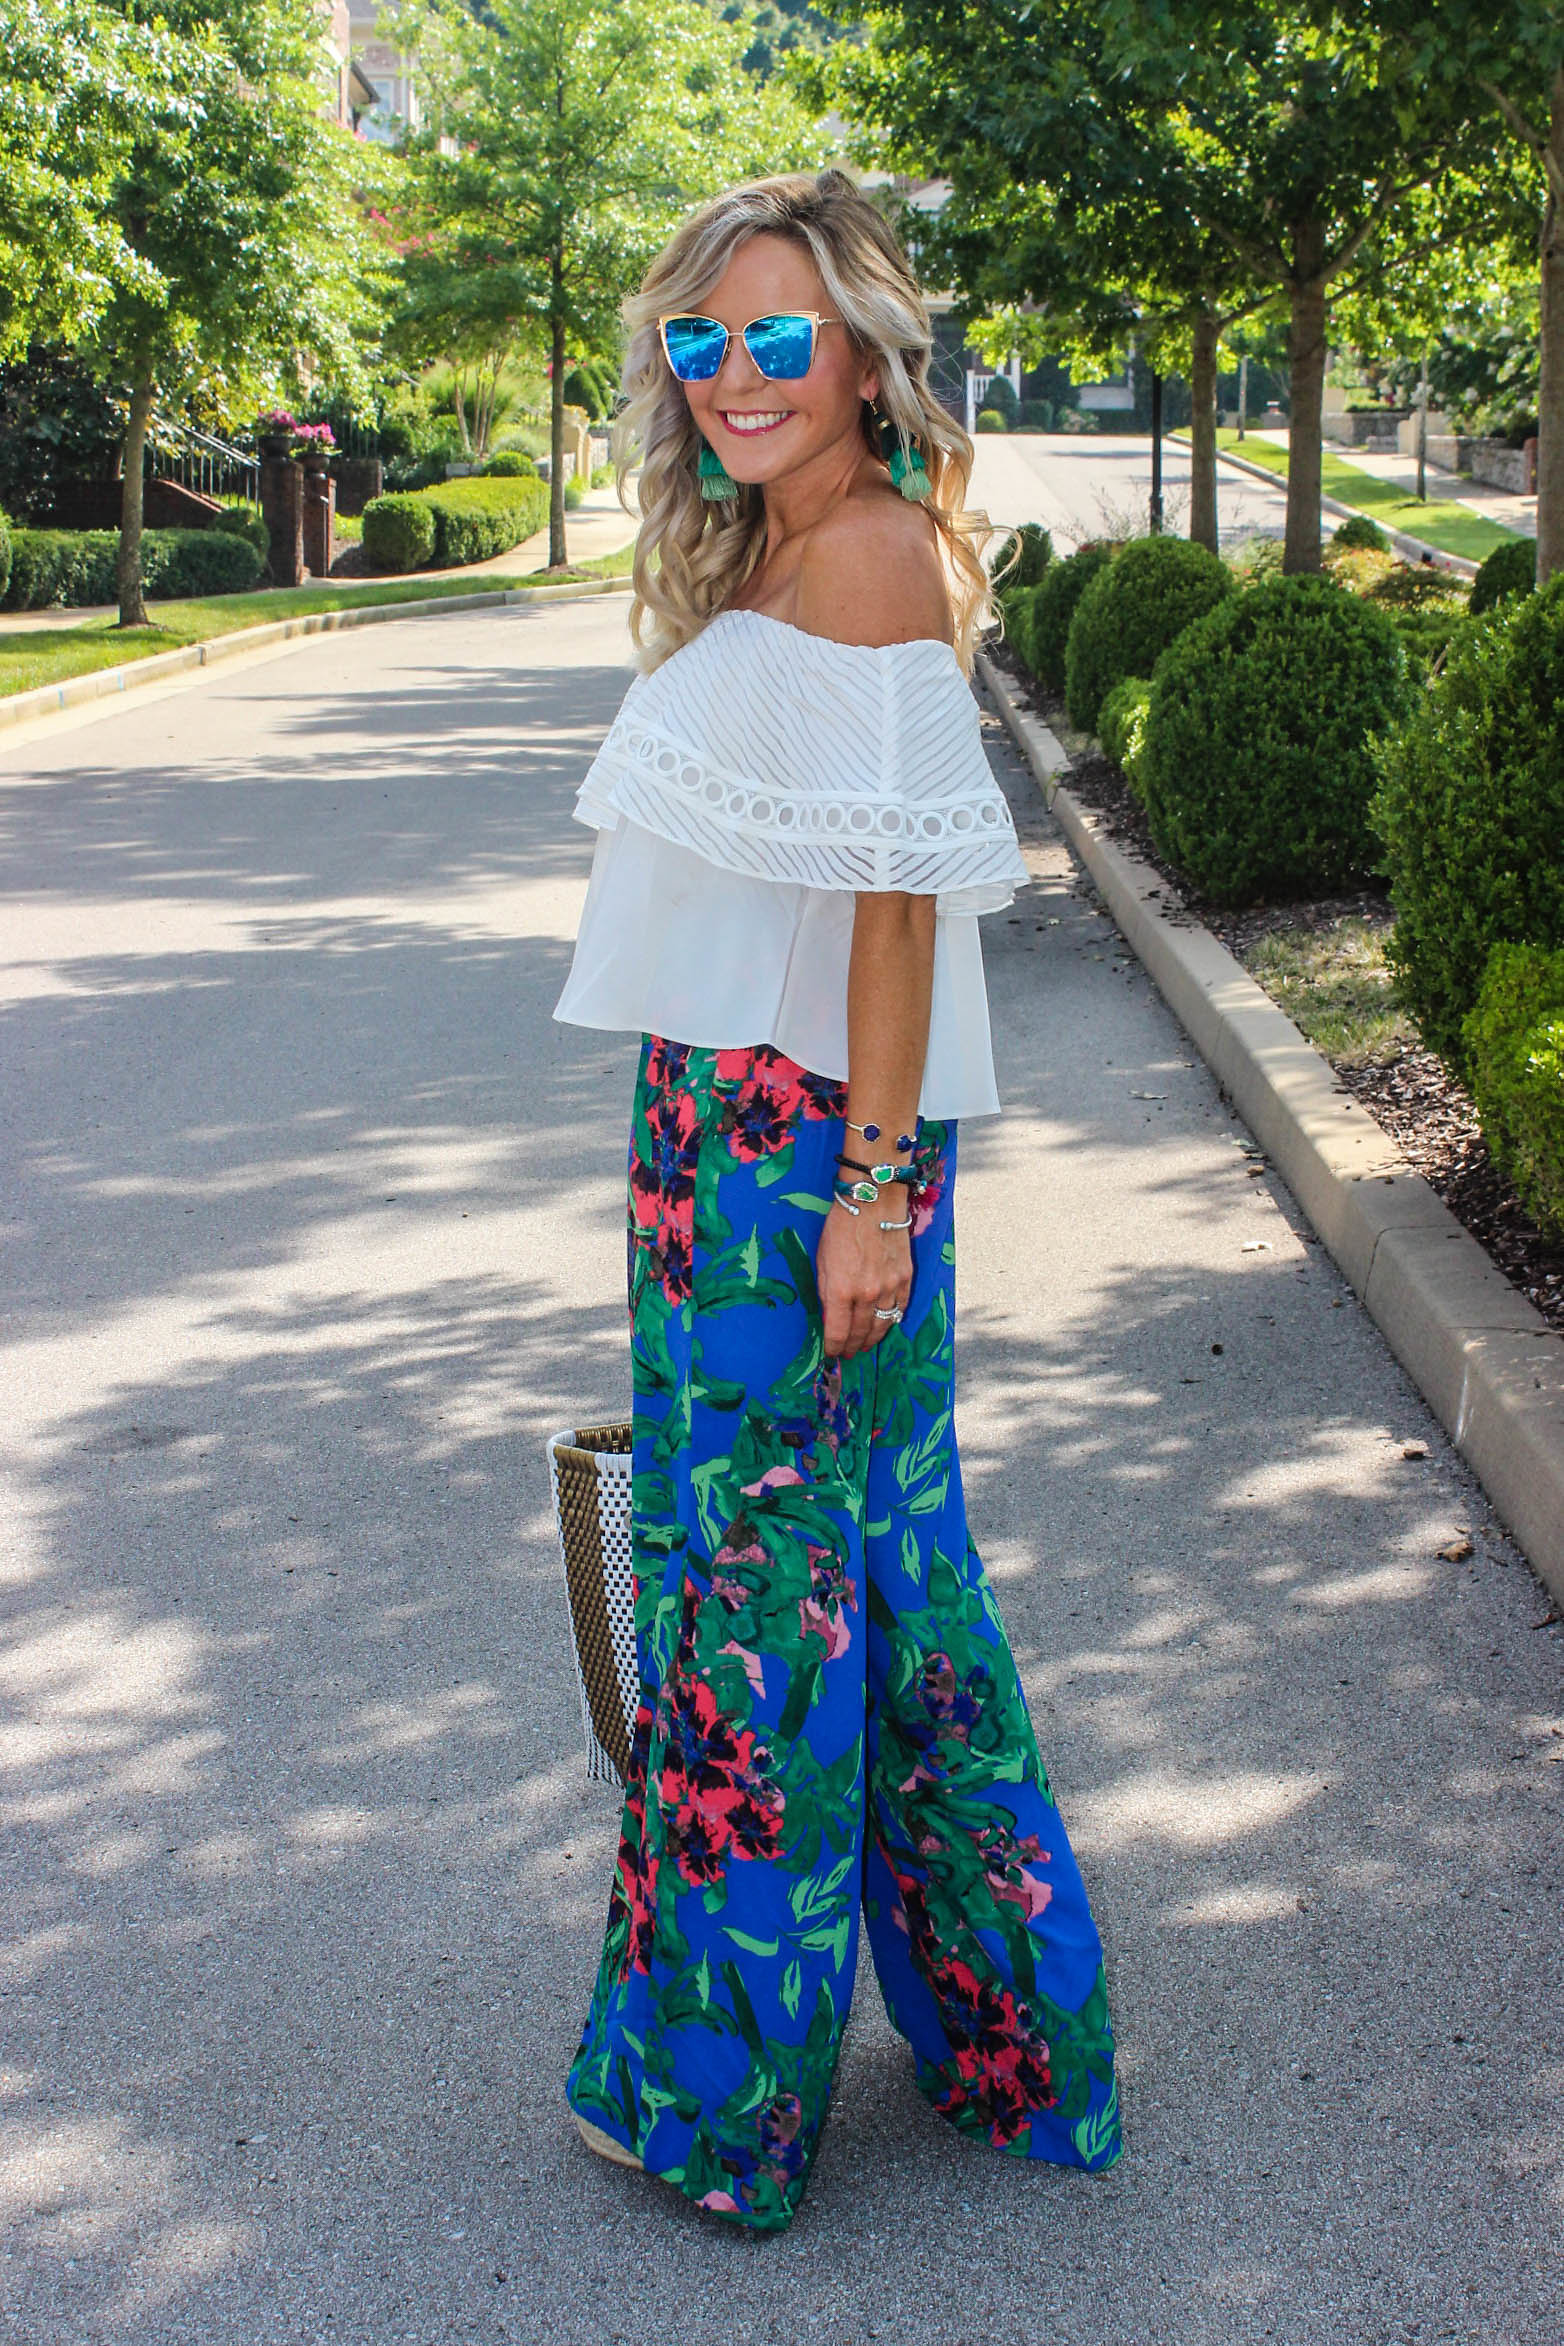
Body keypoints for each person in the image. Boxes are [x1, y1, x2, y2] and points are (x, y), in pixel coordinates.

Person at [551, 168, 1122, 2234]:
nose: (730, 374)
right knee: (861, 1578)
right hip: (730, 1133)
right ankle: (1014, 2036)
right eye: (698, 338)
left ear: (867, 358)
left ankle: (716, 2099)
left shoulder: (865, 550)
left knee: (761, 1611)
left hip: (801, 1149)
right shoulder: (779, 544)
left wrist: (868, 1192)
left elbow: (894, 907)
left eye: (775, 335)